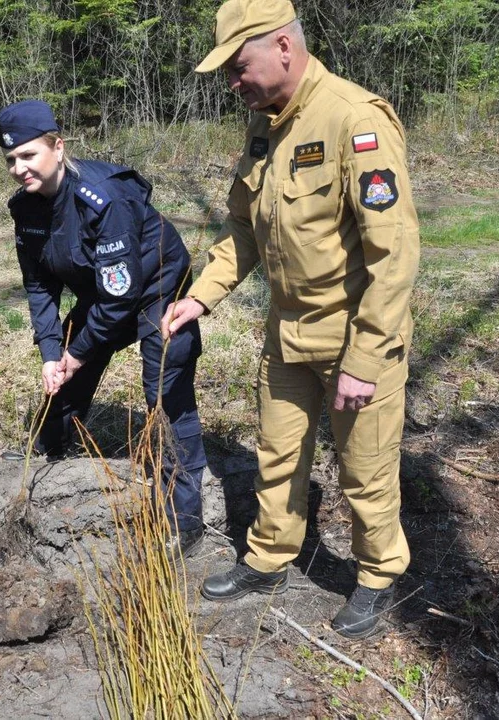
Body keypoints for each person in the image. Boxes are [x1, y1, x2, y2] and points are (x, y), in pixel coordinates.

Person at [161, 0, 420, 639]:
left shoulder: (355, 120)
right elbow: (242, 230)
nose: (232, 82)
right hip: (288, 332)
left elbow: (394, 255)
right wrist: (202, 295)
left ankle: (380, 574)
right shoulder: (263, 126)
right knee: (277, 454)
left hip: (355, 337)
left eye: (238, 66)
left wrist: (364, 360)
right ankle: (270, 557)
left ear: (282, 46)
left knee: (365, 467)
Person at [0, 99, 208, 558]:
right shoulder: (26, 209)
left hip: (157, 286)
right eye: (10, 159)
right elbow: (39, 288)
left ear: (58, 146)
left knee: (164, 387)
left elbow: (119, 300)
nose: (18, 167)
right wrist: (53, 354)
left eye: (29, 154)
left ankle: (186, 517)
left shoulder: (101, 199)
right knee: (66, 373)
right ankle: (51, 450)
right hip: (105, 291)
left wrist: (76, 354)